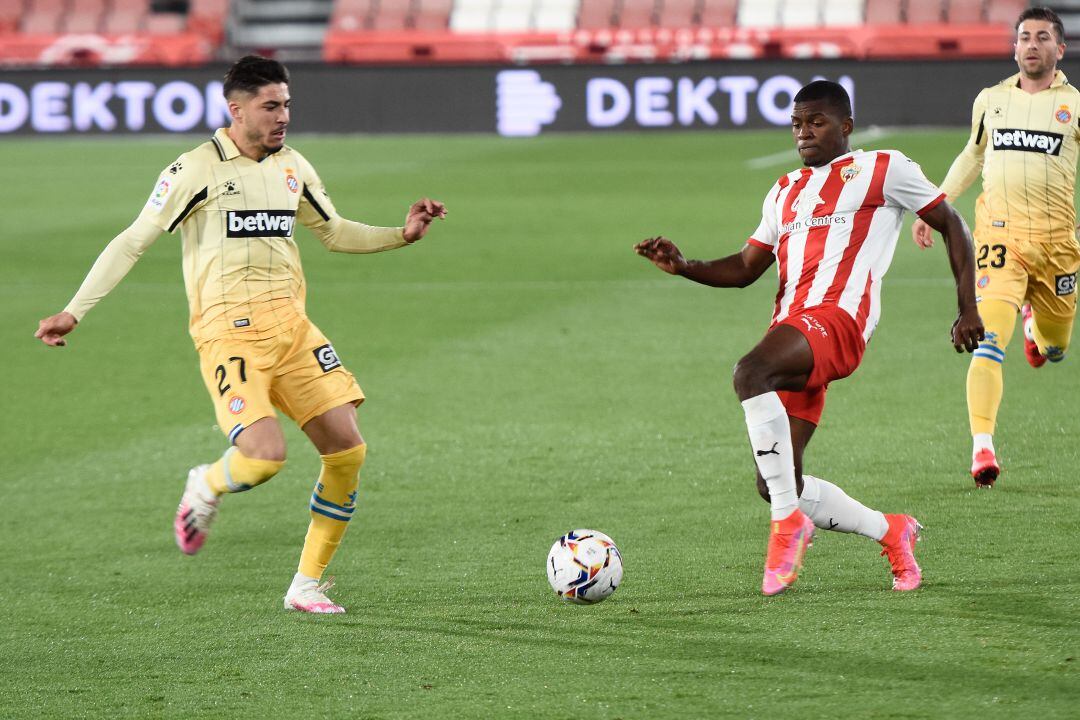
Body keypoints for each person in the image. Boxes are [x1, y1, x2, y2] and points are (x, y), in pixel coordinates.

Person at [34, 56, 447, 614]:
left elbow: (334, 231)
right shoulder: (194, 170)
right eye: (270, 106)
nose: (283, 117)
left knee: (348, 451)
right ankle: (205, 484)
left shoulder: (292, 166)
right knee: (263, 458)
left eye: (287, 105)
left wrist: (403, 233)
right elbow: (133, 240)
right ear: (237, 109)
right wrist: (74, 311)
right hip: (230, 334)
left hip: (293, 330)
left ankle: (306, 585)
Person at [636, 80, 984, 596]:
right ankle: (890, 531)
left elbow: (953, 224)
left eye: (816, 122)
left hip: (839, 321)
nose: (804, 133)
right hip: (794, 332)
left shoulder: (883, 169)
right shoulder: (784, 191)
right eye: (797, 124)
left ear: (845, 125)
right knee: (778, 483)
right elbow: (747, 267)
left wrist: (967, 307)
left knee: (750, 373)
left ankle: (787, 526)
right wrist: (685, 266)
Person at [910, 6, 1080, 488]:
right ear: (1015, 46)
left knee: (1057, 346)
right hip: (999, 237)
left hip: (1057, 246)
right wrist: (935, 205)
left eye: (1042, 37)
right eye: (1024, 36)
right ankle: (982, 445)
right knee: (988, 339)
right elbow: (973, 153)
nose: (1031, 44)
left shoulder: (1074, 105)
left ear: (1059, 49)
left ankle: (1039, 334)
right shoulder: (991, 100)